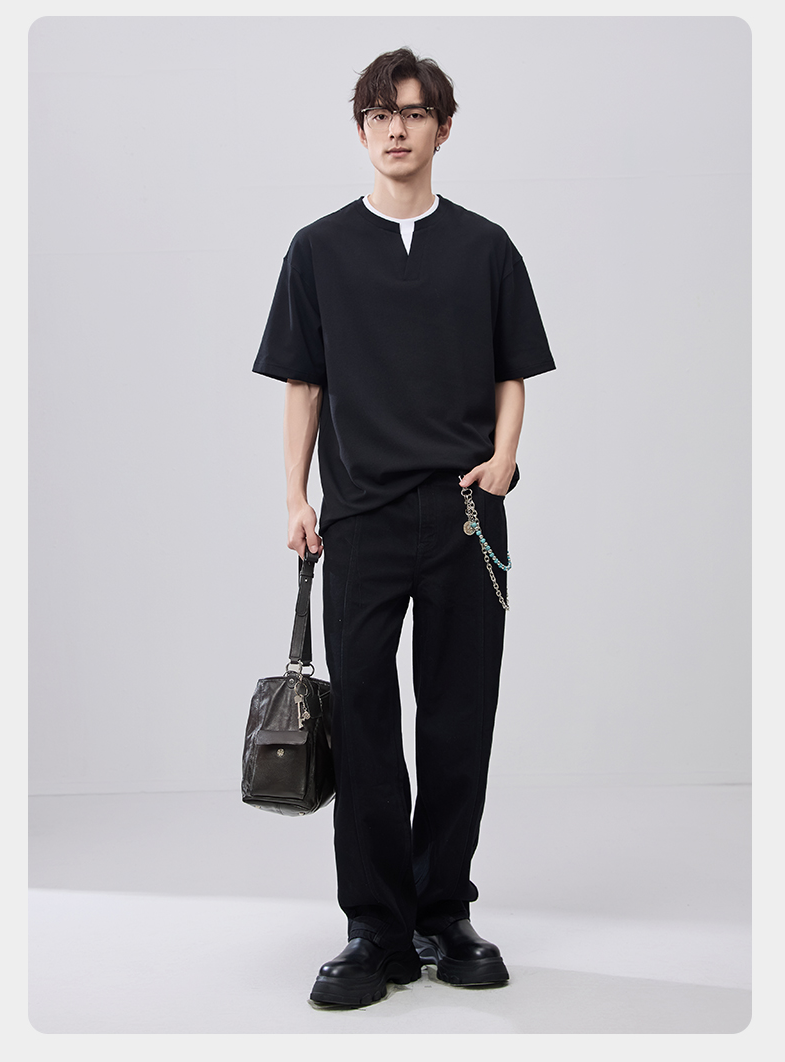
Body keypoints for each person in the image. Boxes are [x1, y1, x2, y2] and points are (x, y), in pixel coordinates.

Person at [253, 46, 555, 1007]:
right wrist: (296, 498)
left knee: (460, 719)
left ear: (443, 129)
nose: (396, 128)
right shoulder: (318, 250)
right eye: (380, 114)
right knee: (368, 726)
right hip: (362, 518)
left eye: (415, 113)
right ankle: (374, 929)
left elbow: (513, 370)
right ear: (361, 129)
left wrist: (503, 461)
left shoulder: (486, 247)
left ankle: (444, 912)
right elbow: (304, 383)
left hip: (468, 516)